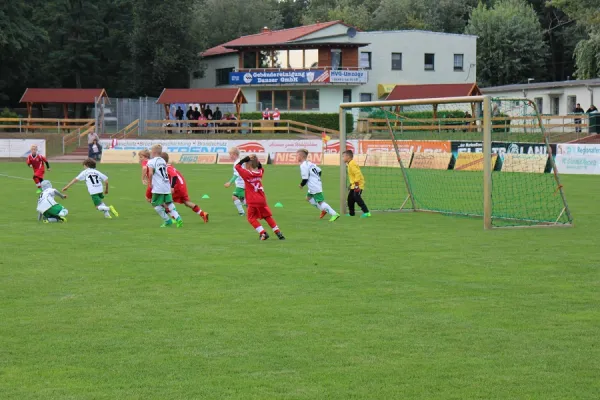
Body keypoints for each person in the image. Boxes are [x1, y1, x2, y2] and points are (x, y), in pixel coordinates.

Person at [235, 155, 285, 240]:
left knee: (251, 218)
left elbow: (237, 166)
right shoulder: (260, 173)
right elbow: (261, 167)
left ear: (249, 165)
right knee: (267, 216)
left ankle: (263, 233)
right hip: (262, 199)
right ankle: (278, 232)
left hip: (252, 200)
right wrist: (256, 160)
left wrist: (244, 159)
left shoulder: (246, 174)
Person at [161, 152, 209, 223]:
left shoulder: (166, 168)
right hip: (182, 186)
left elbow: (174, 176)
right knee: (186, 202)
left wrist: (172, 187)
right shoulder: (169, 166)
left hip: (177, 187)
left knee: (162, 201)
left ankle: (176, 217)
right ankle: (203, 214)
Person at [297, 149, 339, 222]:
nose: (296, 157)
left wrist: (301, 185)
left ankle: (334, 214)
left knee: (320, 201)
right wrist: (316, 178)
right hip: (315, 184)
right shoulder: (310, 163)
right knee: (308, 198)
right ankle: (323, 210)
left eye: (297, 155)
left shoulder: (303, 165)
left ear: (301, 156)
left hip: (314, 185)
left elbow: (305, 178)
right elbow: (319, 170)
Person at [147, 144, 183, 228]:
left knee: (155, 204)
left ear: (154, 152)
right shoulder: (163, 161)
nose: (151, 153)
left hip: (158, 187)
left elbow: (151, 172)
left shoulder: (151, 161)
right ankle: (178, 218)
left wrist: (150, 182)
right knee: (169, 203)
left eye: (151, 151)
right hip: (166, 185)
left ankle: (168, 220)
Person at [343, 150, 371, 218]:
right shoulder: (350, 163)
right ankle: (351, 213)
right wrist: (351, 184)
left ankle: (367, 212)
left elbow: (357, 174)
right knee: (350, 199)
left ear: (348, 156)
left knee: (357, 197)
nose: (342, 158)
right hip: (354, 184)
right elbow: (353, 175)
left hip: (358, 184)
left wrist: (356, 185)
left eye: (343, 156)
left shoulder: (352, 163)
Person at [223, 147, 246, 215]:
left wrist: (230, 182)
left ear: (235, 154)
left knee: (234, 196)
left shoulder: (237, 163)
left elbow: (236, 174)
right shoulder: (239, 161)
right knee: (241, 198)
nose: (230, 156)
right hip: (242, 182)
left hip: (241, 183)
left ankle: (241, 212)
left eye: (230, 154)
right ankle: (254, 210)